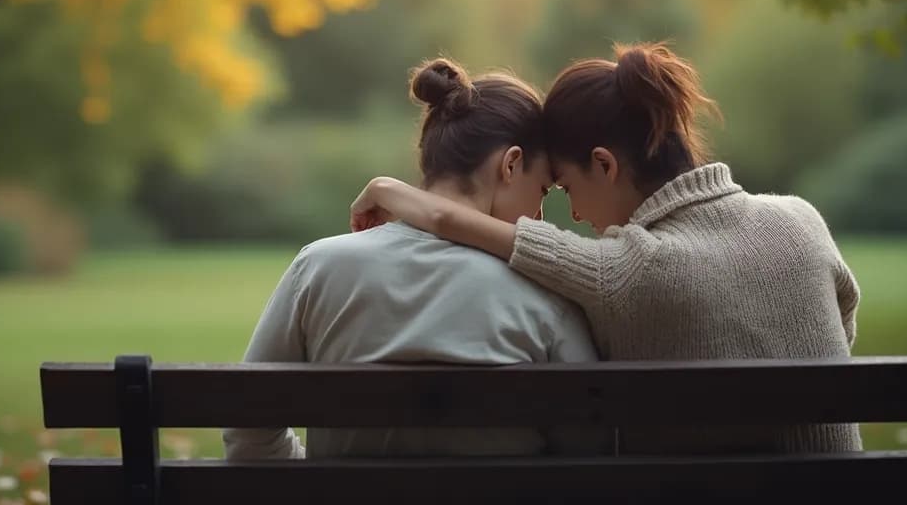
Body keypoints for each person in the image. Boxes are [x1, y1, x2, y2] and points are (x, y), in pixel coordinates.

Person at [349, 43, 862, 453]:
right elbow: (842, 328)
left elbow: (450, 220)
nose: (573, 215)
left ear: (604, 164)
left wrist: (386, 188)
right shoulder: (802, 220)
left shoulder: (627, 270)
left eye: (566, 187)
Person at [223, 58, 609, 460]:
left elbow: (248, 436)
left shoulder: (317, 267)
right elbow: (587, 455)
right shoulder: (546, 293)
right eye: (543, 191)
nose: (539, 218)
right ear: (510, 165)